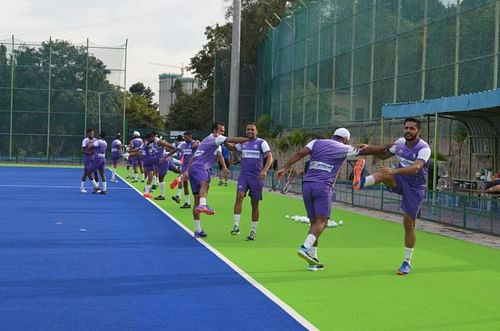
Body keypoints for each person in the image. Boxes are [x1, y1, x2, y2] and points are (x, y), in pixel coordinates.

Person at [276, 128, 391, 271]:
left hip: (307, 186)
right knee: (322, 222)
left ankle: (313, 259)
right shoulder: (344, 148)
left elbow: (300, 153)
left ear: (332, 136)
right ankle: (305, 248)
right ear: (346, 139)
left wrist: (284, 168)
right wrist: (388, 146)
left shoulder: (316, 142)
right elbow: (370, 151)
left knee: (314, 223)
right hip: (323, 186)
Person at [352, 117, 431, 276]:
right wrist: (368, 148)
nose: (408, 131)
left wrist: (393, 171)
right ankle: (361, 182)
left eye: (412, 128)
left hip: (415, 187)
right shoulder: (400, 143)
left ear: (418, 131)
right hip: (400, 180)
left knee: (408, 224)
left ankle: (406, 262)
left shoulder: (424, 148)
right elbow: (383, 155)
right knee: (384, 173)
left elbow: (416, 168)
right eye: (406, 128)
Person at [182, 122, 249, 238]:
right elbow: (232, 139)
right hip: (201, 167)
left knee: (196, 200)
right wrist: (249, 139)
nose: (223, 133)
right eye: (221, 131)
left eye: (223, 131)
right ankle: (203, 205)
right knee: (205, 183)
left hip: (194, 168)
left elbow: (218, 155)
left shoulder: (208, 142)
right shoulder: (215, 138)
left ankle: (198, 230)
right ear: (214, 131)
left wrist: (187, 171)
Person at [230, 122, 273, 241]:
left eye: (252, 130)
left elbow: (269, 156)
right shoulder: (243, 143)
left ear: (256, 131)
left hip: (256, 177)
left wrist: (264, 171)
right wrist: (222, 140)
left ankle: (253, 231)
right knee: (239, 196)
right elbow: (232, 147)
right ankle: (236, 226)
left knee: (254, 204)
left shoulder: (261, 142)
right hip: (243, 176)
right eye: (248, 129)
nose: (250, 131)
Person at [172, 131, 199, 208]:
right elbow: (176, 149)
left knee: (180, 179)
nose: (184, 139)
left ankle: (178, 196)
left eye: (186, 137)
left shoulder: (195, 143)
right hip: (184, 166)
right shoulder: (183, 144)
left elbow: (196, 146)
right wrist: (167, 156)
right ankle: (187, 203)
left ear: (190, 137)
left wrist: (196, 142)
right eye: (184, 137)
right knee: (185, 184)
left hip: (191, 166)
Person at [80, 128, 99, 193]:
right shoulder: (85, 140)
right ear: (88, 133)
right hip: (87, 159)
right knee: (86, 173)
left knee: (96, 173)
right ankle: (82, 188)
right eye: (91, 133)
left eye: (93, 133)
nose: (92, 134)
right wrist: (87, 153)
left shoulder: (96, 140)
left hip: (94, 159)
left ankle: (96, 187)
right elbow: (82, 150)